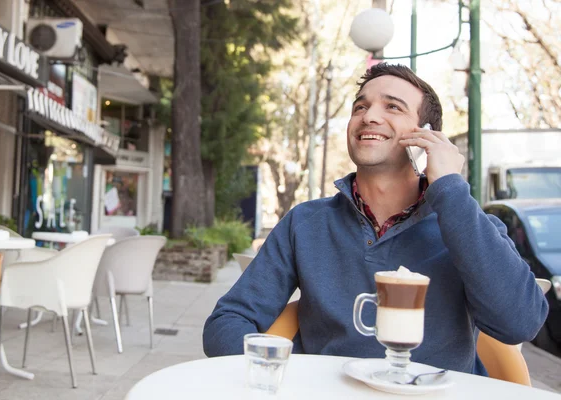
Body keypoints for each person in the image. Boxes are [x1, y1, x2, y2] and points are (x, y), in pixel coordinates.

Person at [202, 63, 548, 374]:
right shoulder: (306, 223)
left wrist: (450, 189)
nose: (369, 116)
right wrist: (284, 378)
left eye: (392, 107)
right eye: (360, 107)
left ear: (426, 136)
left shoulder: (467, 223)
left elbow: (520, 323)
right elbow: (227, 321)